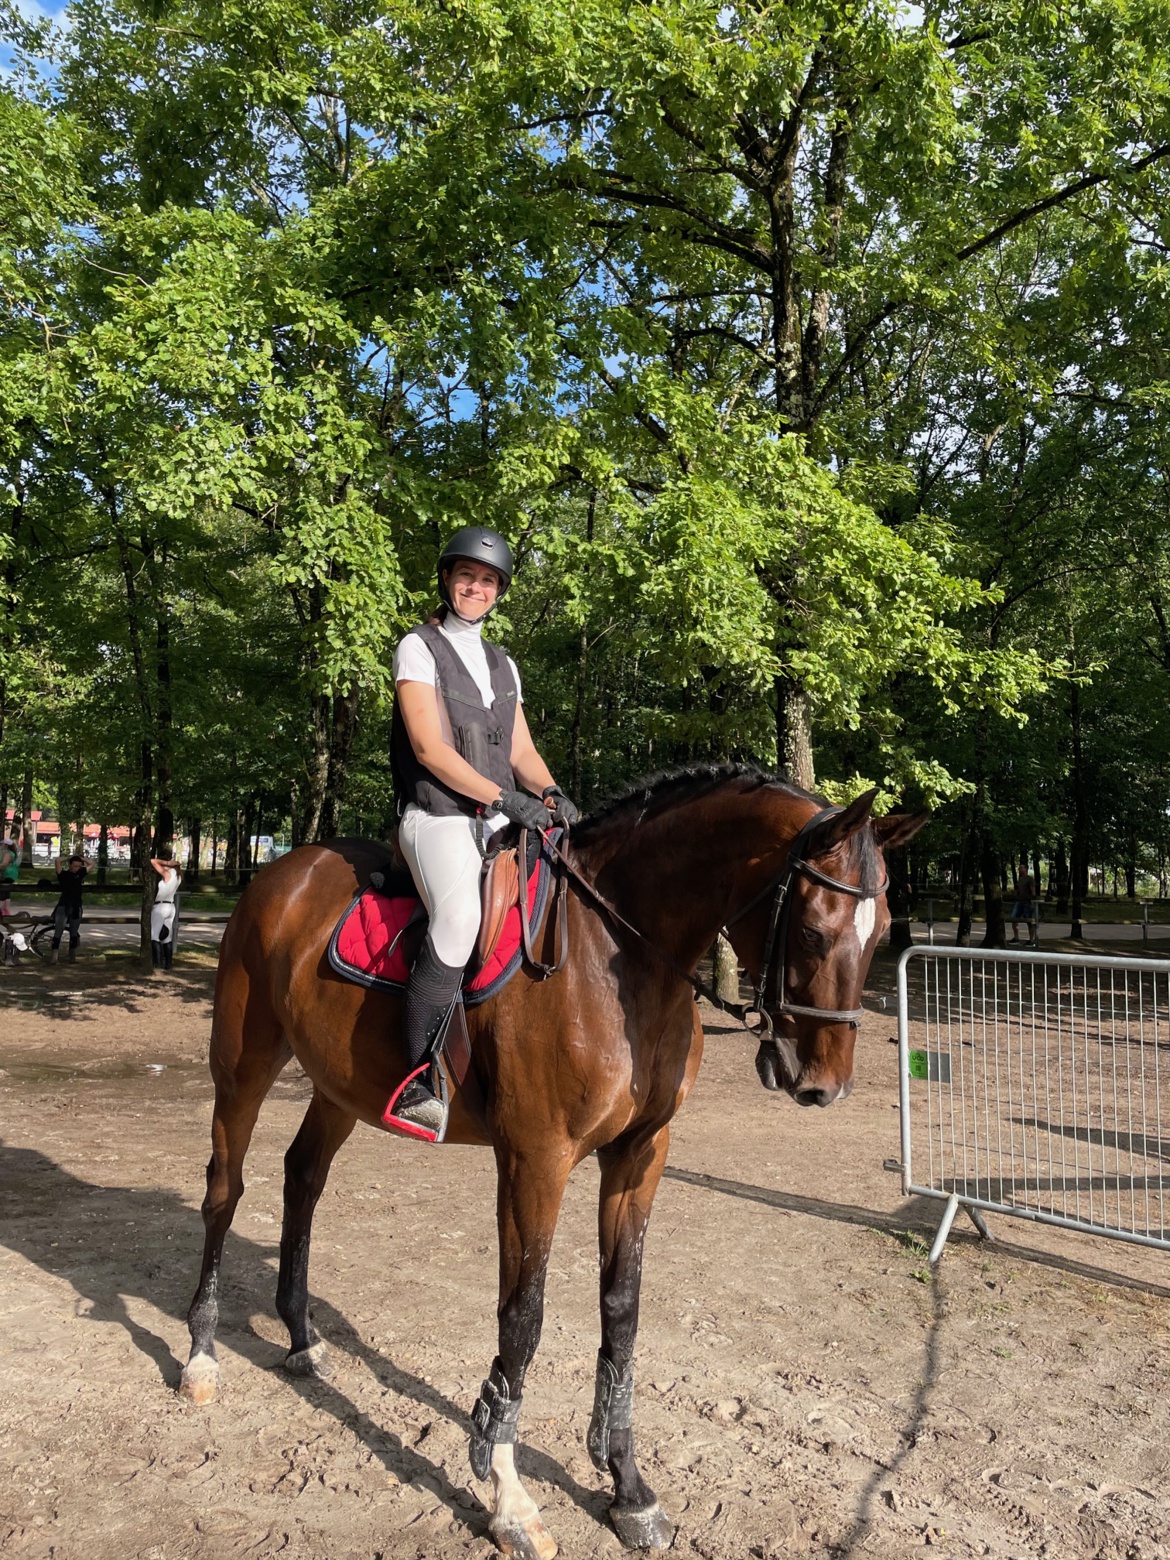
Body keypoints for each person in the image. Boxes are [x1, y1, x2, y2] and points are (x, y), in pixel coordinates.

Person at [388, 526, 579, 1136]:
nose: (476, 587)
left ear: (499, 592)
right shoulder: (418, 647)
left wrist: (548, 793)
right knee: (461, 918)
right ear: (447, 580)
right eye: (467, 576)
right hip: (437, 817)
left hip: (499, 817)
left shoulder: (503, 664)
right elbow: (428, 747)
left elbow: (520, 747)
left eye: (488, 580)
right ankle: (419, 1077)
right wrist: (504, 798)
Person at [50, 853, 88, 962]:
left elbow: (92, 864)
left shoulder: (80, 874)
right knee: (59, 930)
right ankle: (54, 957)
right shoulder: (63, 874)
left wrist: (81, 858)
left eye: (78, 866)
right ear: (70, 865)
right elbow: (57, 861)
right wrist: (69, 856)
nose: (76, 868)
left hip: (76, 905)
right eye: (74, 865)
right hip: (64, 905)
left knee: (74, 931)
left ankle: (72, 956)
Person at [150, 851, 182, 968]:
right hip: (171, 907)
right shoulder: (178, 877)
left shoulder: (168, 875)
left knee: (154, 935)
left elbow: (152, 861)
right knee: (166, 937)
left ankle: (157, 963)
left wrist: (167, 862)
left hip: (161, 906)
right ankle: (168, 964)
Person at [1011, 861, 1037, 945]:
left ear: (1026, 869)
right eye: (1019, 868)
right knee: (1014, 918)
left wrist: (1032, 902)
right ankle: (1016, 938)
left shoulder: (1030, 879)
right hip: (1019, 902)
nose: (1019, 869)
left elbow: (1032, 890)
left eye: (1021, 868)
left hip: (1027, 902)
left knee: (1029, 921)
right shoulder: (1020, 880)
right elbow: (1018, 890)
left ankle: (1031, 940)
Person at [0, 837, 18, 920]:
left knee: (3, 891)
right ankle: (6, 912)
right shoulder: (10, 852)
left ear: (6, 845)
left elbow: (4, 864)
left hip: (7, 874)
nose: (1, 845)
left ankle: (2, 911)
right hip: (11, 874)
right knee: (6, 893)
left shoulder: (7, 853)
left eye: (2, 844)